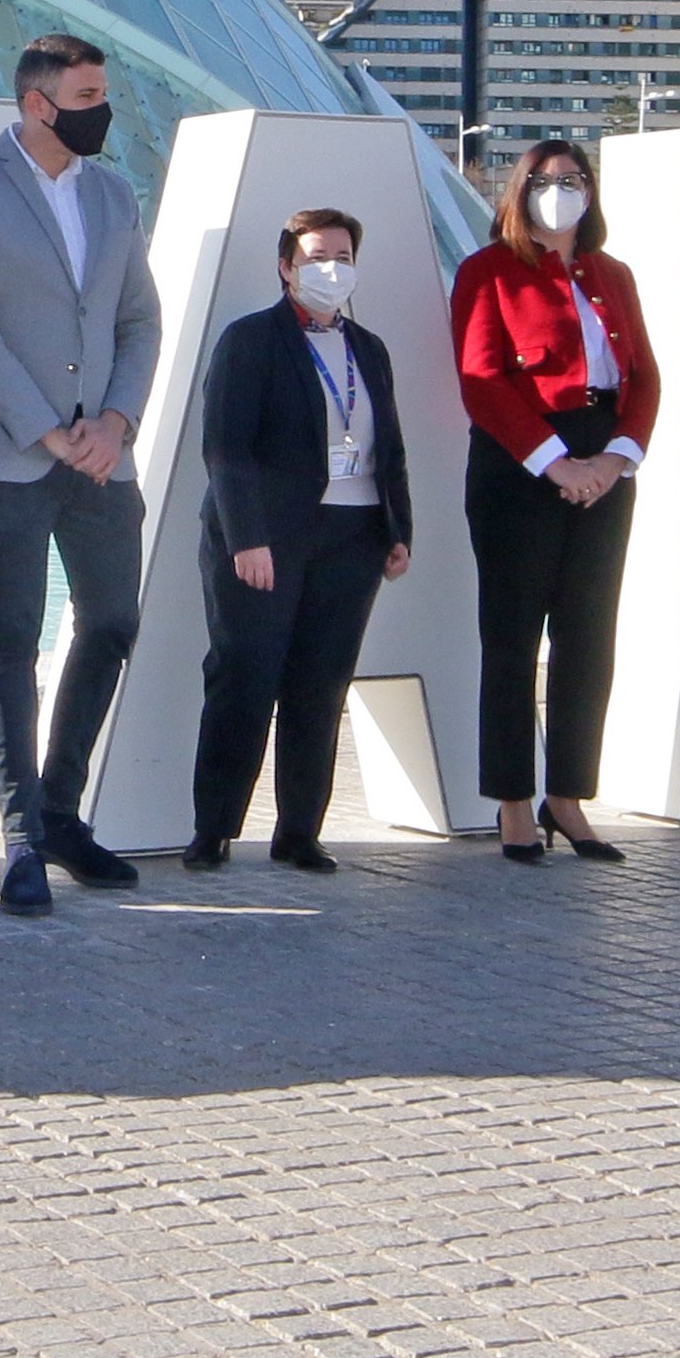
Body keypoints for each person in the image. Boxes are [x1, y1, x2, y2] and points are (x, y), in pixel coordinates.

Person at [0, 35, 160, 916]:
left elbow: (140, 319)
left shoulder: (112, 192)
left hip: (102, 453)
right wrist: (48, 432)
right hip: (4, 455)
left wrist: (117, 421)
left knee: (113, 621)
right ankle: (21, 837)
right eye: (89, 93)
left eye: (105, 90)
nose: (103, 108)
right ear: (36, 102)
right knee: (13, 640)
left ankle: (62, 809)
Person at [186, 206, 416, 875]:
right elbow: (225, 449)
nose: (331, 270)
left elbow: (390, 449)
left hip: (353, 537)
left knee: (320, 687)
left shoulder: (368, 349)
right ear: (287, 265)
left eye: (343, 256)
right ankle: (215, 829)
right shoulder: (251, 340)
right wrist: (246, 538)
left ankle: (299, 832)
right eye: (316, 257)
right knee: (245, 679)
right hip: (265, 541)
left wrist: (396, 530)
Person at [450, 135, 657, 864]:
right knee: (512, 638)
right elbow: (481, 381)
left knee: (588, 638)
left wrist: (614, 458)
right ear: (521, 189)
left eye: (574, 178)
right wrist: (555, 464)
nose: (561, 189)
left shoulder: (613, 274)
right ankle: (511, 799)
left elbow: (644, 379)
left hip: (604, 459)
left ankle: (567, 797)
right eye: (546, 178)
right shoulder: (488, 271)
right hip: (520, 464)